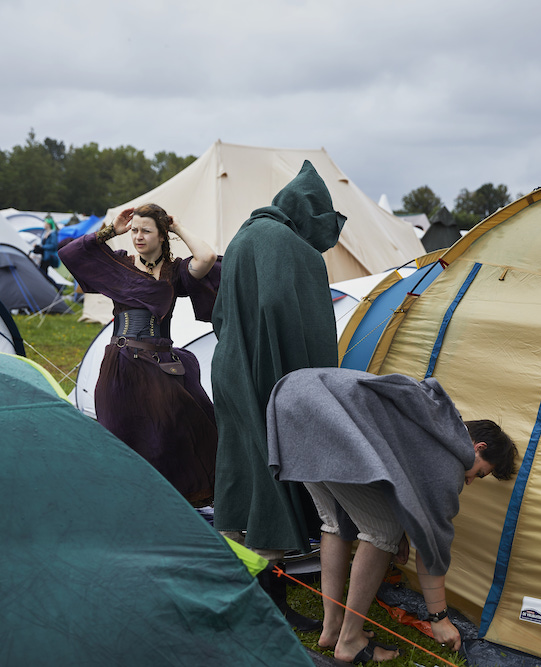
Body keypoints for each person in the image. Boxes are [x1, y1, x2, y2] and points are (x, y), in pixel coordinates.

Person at [266, 367, 519, 664]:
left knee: (336, 522)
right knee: (381, 532)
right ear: (478, 448)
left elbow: (385, 478)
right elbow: (431, 546)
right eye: (479, 473)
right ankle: (349, 641)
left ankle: (332, 627)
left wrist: (401, 531)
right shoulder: (450, 463)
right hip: (325, 413)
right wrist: (438, 617)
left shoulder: (436, 421)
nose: (469, 481)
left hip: (294, 397)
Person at [211, 160, 346, 629]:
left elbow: (219, 316)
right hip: (269, 376)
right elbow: (305, 326)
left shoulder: (243, 236)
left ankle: (232, 582)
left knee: (239, 469)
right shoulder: (293, 250)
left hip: (229, 368)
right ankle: (267, 601)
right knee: (272, 475)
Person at [58, 203, 220, 506]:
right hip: (120, 367)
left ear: (162, 235)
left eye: (146, 230)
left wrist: (179, 226)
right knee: (120, 438)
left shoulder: (176, 273)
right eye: (134, 230)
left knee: (167, 440)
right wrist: (110, 231)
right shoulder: (120, 266)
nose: (138, 236)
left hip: (159, 368)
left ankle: (166, 505)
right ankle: (125, 507)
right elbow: (71, 255)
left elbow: (207, 258)